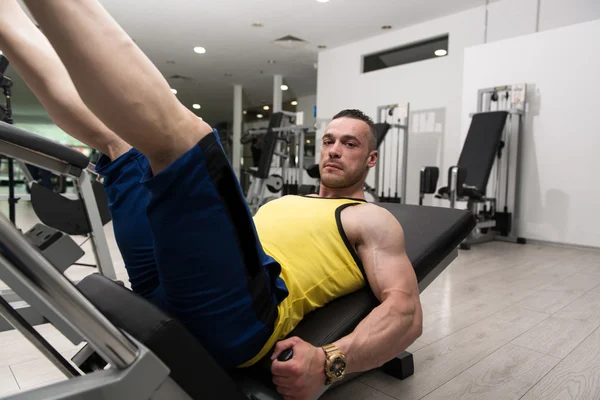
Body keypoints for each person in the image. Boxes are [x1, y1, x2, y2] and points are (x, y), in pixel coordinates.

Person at [0, 1, 422, 399]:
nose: (332, 150)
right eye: (328, 140)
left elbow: (405, 312)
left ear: (370, 158)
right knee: (118, 144)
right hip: (172, 284)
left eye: (348, 144)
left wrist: (330, 361)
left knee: (188, 141)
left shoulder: (370, 218)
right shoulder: (292, 199)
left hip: (240, 318)